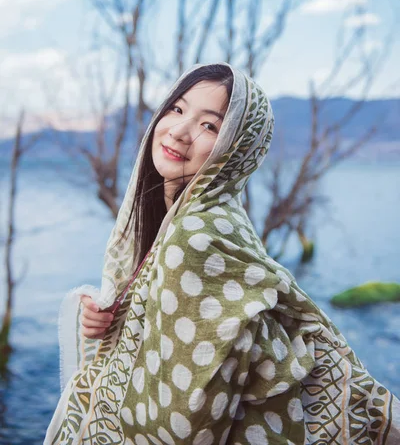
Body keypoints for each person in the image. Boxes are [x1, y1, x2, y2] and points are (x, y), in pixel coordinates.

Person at [45, 63, 399, 445]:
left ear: (237, 149)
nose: (180, 132)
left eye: (209, 126)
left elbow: (185, 421)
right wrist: (110, 318)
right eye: (177, 109)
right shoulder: (217, 216)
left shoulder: (196, 237)